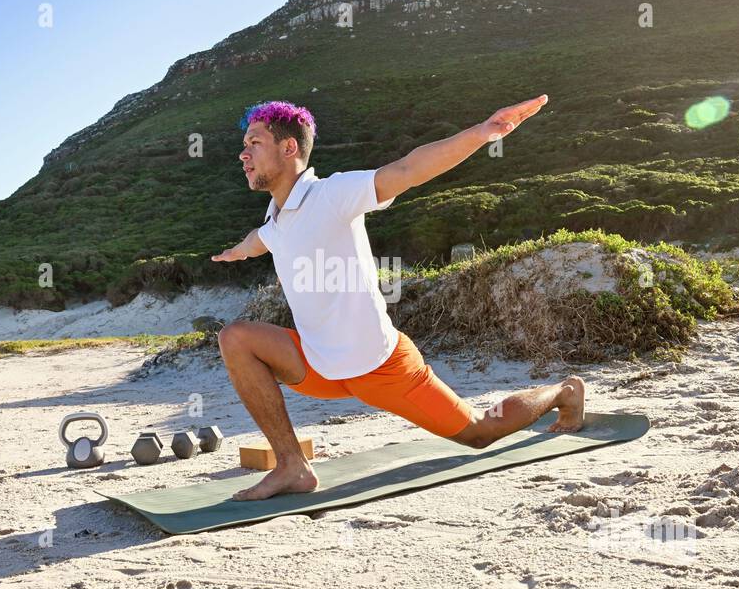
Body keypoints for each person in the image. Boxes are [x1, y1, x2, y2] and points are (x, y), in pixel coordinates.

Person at [211, 97, 584, 500]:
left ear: (289, 148)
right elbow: (261, 240)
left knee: (479, 431)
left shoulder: (332, 194)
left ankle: (564, 392)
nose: (243, 153)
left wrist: (481, 133)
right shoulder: (276, 217)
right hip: (319, 364)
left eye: (254, 142)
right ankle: (292, 466)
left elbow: (408, 168)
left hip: (380, 366)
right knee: (236, 337)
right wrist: (237, 251)